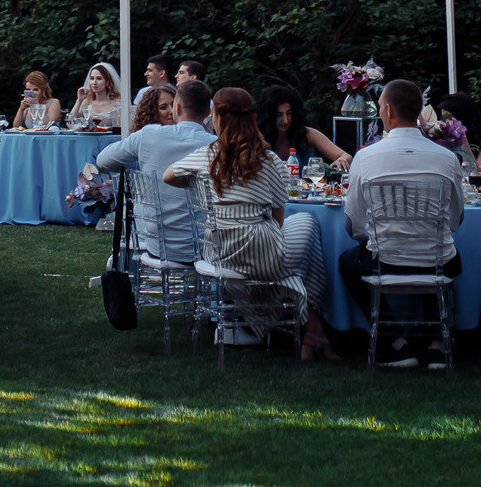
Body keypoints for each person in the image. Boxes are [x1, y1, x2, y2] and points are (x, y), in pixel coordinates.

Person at [163, 86, 333, 360]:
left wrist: (194, 181)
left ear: (217, 117)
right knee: (307, 223)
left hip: (219, 253)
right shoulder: (270, 161)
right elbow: (279, 215)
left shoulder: (207, 155)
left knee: (301, 229)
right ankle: (312, 330)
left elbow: (168, 176)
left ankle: (291, 328)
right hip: (264, 254)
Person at [337, 77, 467, 365]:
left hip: (386, 260)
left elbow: (353, 224)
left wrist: (378, 237)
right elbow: (456, 219)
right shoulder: (446, 158)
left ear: (388, 111)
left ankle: (395, 341)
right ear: (419, 112)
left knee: (348, 261)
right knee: (437, 253)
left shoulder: (366, 157)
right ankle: (436, 344)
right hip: (438, 260)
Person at [93, 78, 217, 262]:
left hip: (156, 245)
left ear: (177, 108)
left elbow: (102, 161)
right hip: (205, 247)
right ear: (208, 113)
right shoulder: (215, 146)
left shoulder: (147, 135)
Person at [255, 83, 350, 169]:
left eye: (289, 113)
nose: (285, 120)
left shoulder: (307, 134)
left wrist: (341, 161)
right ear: (268, 116)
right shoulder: (256, 138)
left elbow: (346, 156)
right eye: (279, 115)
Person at [70, 63, 123, 129]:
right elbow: (70, 123)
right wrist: (79, 101)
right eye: (92, 78)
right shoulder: (87, 102)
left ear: (107, 81)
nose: (94, 82)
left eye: (99, 79)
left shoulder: (117, 103)